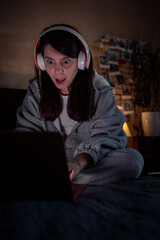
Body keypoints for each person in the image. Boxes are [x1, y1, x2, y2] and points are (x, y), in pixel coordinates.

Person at [15, 24, 144, 185]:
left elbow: (106, 137)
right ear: (41, 62)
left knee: (133, 159)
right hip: (46, 163)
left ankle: (59, 179)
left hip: (86, 165)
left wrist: (79, 161)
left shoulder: (101, 92)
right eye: (50, 61)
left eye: (66, 61)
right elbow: (24, 137)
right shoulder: (36, 91)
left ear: (82, 61)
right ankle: (58, 177)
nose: (57, 70)